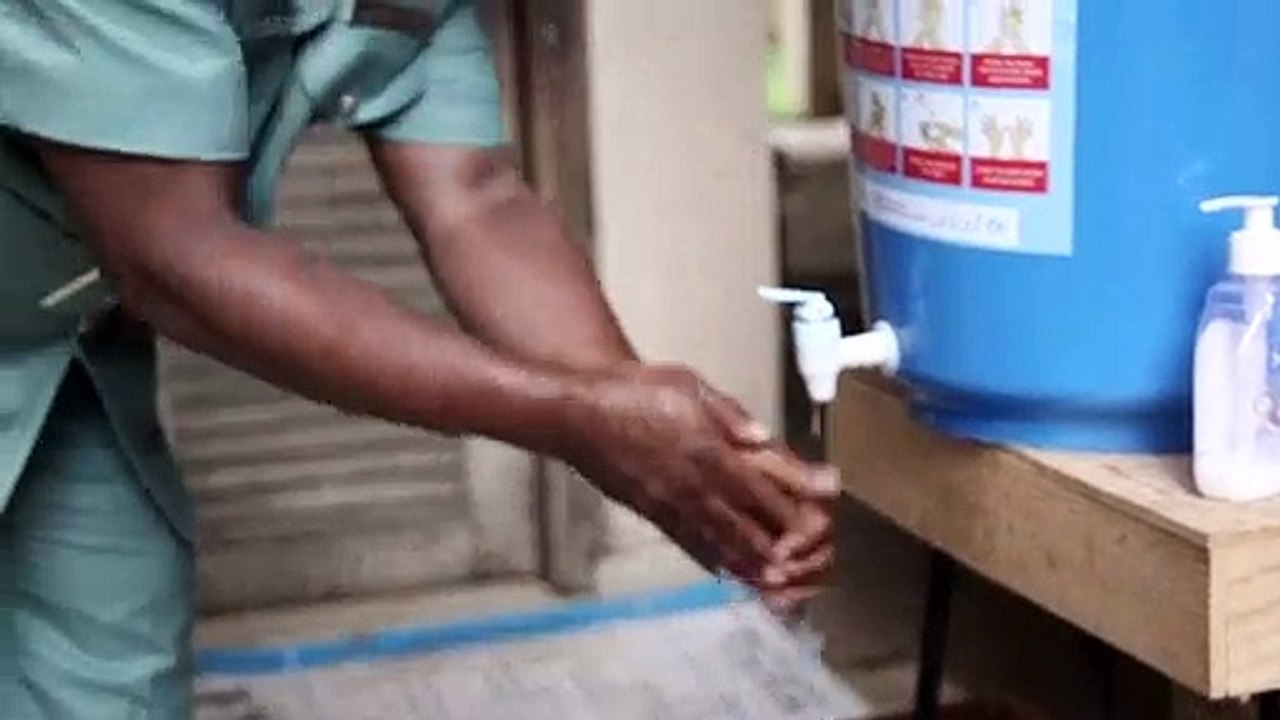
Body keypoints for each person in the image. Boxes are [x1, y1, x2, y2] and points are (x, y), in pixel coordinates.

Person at [0, 1, 838, 718]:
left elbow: (474, 195)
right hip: (88, 294)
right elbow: (176, 255)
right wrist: (582, 421)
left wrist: (669, 448)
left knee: (109, 664)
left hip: (59, 351)